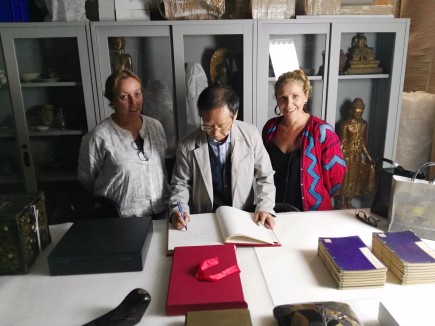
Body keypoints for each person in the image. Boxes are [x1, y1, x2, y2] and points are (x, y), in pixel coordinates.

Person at [169, 85, 276, 230]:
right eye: (208, 125)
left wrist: (265, 207)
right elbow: (180, 184)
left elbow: (265, 175)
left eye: (222, 125)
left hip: (243, 215)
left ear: (235, 115)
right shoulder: (186, 145)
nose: (215, 132)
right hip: (205, 217)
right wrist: (178, 210)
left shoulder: (251, 135)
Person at [78, 69, 170, 219]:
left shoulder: (155, 126)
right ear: (112, 100)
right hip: (121, 217)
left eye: (137, 94)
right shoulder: (98, 137)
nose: (134, 103)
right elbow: (86, 178)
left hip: (161, 211)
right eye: (123, 97)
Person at [262, 70, 346, 211]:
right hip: (274, 212)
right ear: (277, 99)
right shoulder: (270, 128)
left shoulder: (322, 132)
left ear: (306, 96)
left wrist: (317, 196)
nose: (289, 104)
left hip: (312, 215)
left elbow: (336, 176)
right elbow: (263, 170)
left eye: (295, 96)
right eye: (283, 98)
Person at [338, 98, 375, 209]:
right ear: (351, 110)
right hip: (346, 155)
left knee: (354, 178)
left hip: (357, 155)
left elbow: (363, 142)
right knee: (345, 178)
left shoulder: (363, 124)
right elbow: (342, 142)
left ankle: (349, 201)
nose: (358, 115)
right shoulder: (345, 124)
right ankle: (342, 202)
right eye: (356, 112)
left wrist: (368, 156)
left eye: (361, 112)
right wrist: (337, 157)